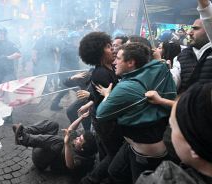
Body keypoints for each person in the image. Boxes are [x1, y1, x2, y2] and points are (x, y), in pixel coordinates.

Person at [95, 42, 176, 183]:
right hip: (139, 143)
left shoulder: (127, 87)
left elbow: (100, 114)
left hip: (146, 153)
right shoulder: (160, 68)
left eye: (118, 58)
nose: (114, 62)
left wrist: (108, 94)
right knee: (114, 171)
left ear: (131, 62)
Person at [137, 83, 212, 184]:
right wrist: (162, 100)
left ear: (194, 148)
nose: (170, 131)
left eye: (172, 126)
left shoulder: (162, 180)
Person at [77, 32, 123, 184]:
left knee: (106, 151)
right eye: (109, 47)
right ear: (99, 52)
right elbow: (109, 102)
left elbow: (97, 97)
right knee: (114, 154)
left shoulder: (107, 69)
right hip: (107, 122)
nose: (113, 50)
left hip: (102, 120)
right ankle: (90, 180)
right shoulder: (101, 73)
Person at [12, 113, 96, 176]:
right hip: (44, 148)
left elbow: (70, 165)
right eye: (79, 137)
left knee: (60, 141)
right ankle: (24, 132)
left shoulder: (83, 160)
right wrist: (81, 117)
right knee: (54, 125)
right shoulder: (78, 144)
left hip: (42, 161)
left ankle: (23, 139)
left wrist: (66, 144)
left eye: (80, 140)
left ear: (82, 149)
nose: (77, 138)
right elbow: (70, 129)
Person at [51, 31, 82, 111]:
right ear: (72, 40)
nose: (78, 40)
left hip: (67, 73)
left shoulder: (71, 48)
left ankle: (54, 104)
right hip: (67, 73)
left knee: (64, 89)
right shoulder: (70, 49)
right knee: (79, 89)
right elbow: (75, 63)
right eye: (76, 39)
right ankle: (80, 108)